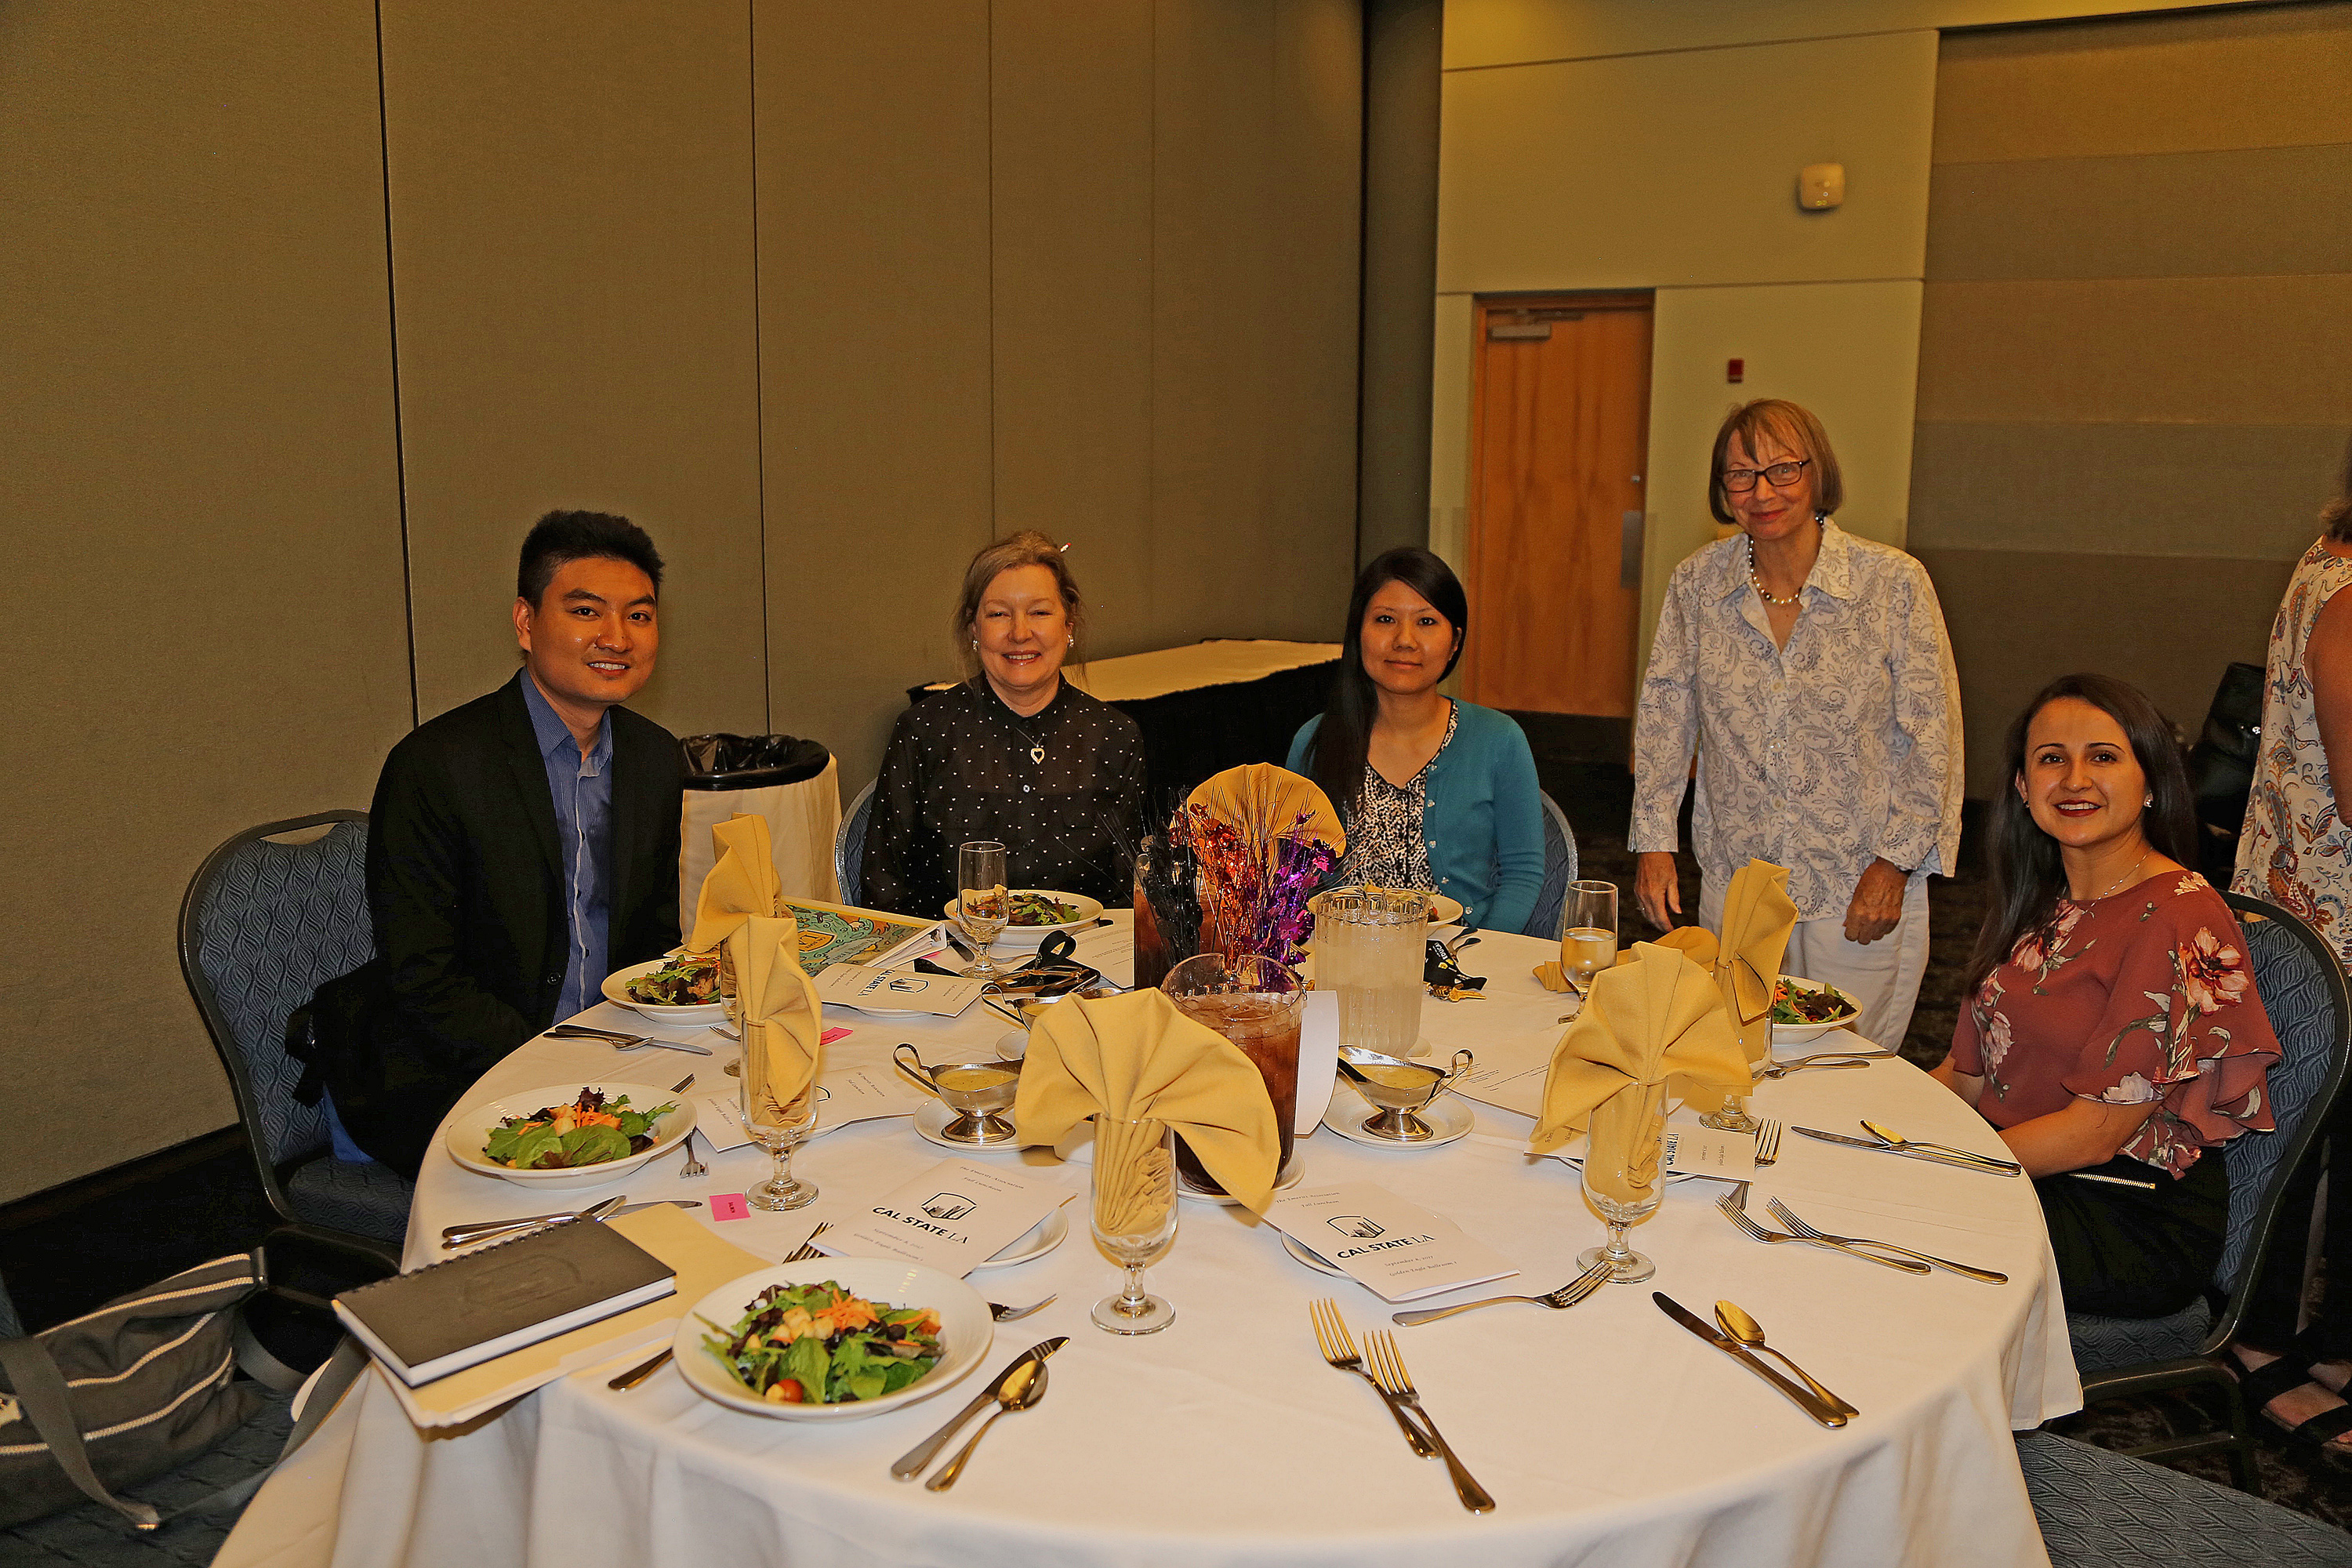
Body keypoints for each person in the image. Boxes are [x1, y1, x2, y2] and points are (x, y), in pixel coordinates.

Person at [313, 511, 685, 1176]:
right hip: (459, 1070)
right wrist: (556, 1060)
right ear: (525, 622)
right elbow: (424, 979)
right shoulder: (439, 765)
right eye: (586, 610)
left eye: (639, 616)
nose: (616, 637)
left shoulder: (654, 759)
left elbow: (650, 938)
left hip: (606, 1065)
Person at [1933, 674, 2278, 1319]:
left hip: (2127, 1209)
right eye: (2051, 759)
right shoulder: (2036, 902)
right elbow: (1966, 1078)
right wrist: (1867, 1132)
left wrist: (1941, 1171)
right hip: (2027, 1171)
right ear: (2020, 785)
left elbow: (2096, 1133)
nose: (2074, 779)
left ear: (2150, 782)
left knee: (1892, 1235)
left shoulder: (2177, 914)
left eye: (2103, 756)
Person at [1630, 398, 1961, 1051]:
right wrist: (1653, 842)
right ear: (1722, 489)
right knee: (1733, 1056)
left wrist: (1894, 864)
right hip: (1739, 876)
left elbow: (1933, 736)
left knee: (1849, 1064)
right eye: (1741, 475)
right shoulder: (1697, 584)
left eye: (1783, 470)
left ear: (1816, 473)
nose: (1763, 491)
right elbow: (1665, 716)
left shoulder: (1892, 584)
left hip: (1859, 879)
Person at [2227, 440, 2352, 1457]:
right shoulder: (2349, 586)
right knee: (2306, 1139)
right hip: (2328, 919)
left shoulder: (2328, 554)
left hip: (2299, 902)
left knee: (2314, 1136)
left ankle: (2318, 1344)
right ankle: (2264, 1345)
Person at [859, 531, 1145, 917]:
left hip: (1081, 966)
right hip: (952, 965)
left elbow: (1131, 897)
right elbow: (884, 891)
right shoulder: (924, 731)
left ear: (1069, 623)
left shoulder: (1114, 737)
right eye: (998, 614)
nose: (1020, 633)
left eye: (1040, 612)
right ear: (974, 629)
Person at [1286, 547, 1544, 935]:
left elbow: (1523, 875)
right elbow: (1292, 875)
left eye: (1426, 622)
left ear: (1455, 641)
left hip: (1463, 957)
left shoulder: (1499, 740)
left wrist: (1482, 952)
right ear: (1359, 633)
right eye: (1385, 619)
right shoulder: (1316, 740)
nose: (1404, 640)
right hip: (1344, 959)